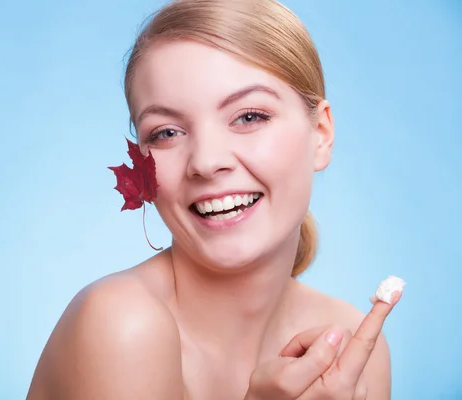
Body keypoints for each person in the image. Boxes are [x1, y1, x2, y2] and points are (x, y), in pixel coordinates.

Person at [27, 0, 403, 398]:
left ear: (321, 134)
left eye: (249, 116)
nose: (206, 162)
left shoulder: (355, 349)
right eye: (166, 132)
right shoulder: (121, 324)